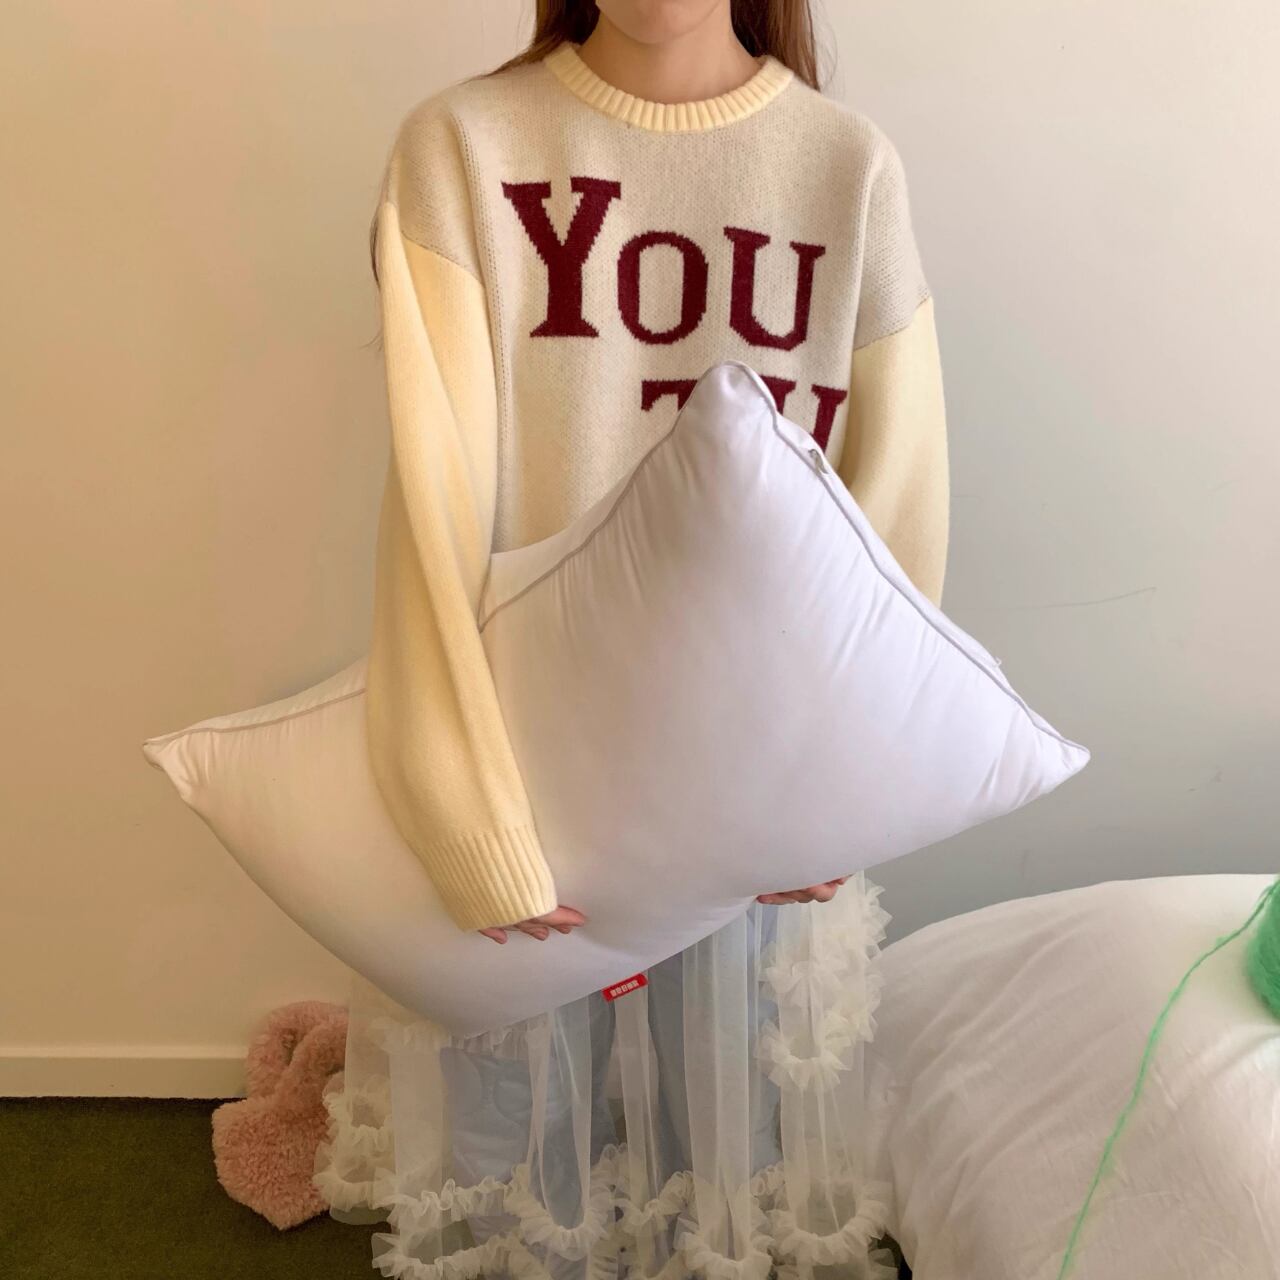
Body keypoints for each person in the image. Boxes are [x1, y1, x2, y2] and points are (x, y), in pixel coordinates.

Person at [314, 3, 949, 1277]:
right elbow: (432, 514)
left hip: (754, 790)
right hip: (526, 770)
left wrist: (841, 790)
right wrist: (462, 810)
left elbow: (892, 514)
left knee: (726, 1166)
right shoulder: (463, 148)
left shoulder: (845, 168)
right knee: (516, 1175)